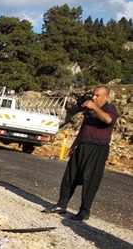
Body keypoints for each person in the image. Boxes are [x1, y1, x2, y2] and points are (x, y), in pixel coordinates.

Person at [42, 85, 117, 221]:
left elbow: (108, 120)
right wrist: (73, 146)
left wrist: (94, 107)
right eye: (93, 95)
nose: (93, 98)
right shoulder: (89, 111)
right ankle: (61, 204)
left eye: (97, 95)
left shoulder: (110, 109)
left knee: (90, 179)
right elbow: (83, 129)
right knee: (70, 176)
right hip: (82, 147)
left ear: (105, 97)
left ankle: (84, 211)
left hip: (97, 149)